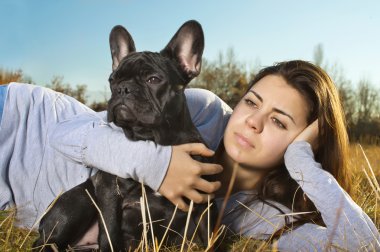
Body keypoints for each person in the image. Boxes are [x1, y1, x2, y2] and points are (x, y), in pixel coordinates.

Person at [0, 60, 379, 250]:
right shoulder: (202, 113)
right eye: (251, 102)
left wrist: (301, 161)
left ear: (306, 141)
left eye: (279, 122)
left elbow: (363, 243)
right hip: (19, 123)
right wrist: (159, 166)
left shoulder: (260, 214)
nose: (252, 123)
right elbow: (64, 134)